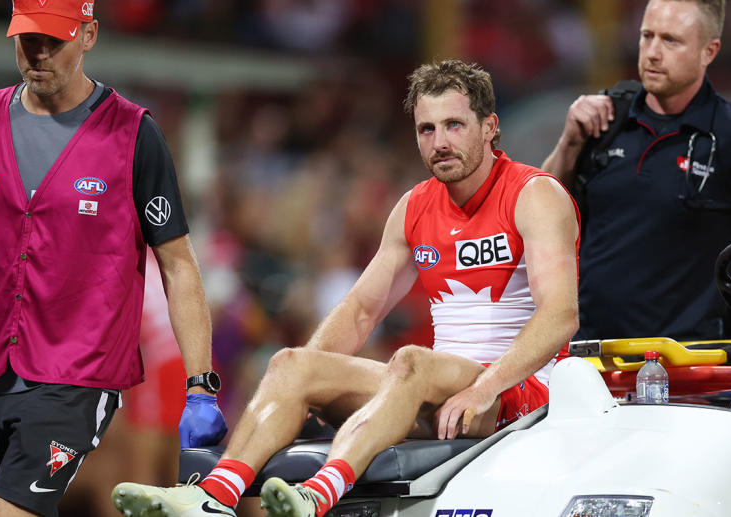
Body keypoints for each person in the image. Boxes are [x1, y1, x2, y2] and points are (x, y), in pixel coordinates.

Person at [111, 59, 580, 517]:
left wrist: (485, 387)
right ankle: (213, 497)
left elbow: (560, 315)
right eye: (426, 130)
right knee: (290, 363)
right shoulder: (414, 207)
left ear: (490, 126)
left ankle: (319, 495)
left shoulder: (533, 195)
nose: (439, 143)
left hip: (516, 395)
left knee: (410, 359)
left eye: (454, 125)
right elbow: (359, 311)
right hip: (435, 392)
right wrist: (316, 378)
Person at [0, 2, 227, 516]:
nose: (39, 53)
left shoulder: (133, 135)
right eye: (29, 38)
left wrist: (200, 385)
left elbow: (179, 264)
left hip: (73, 377)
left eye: (54, 40)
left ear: (90, 34)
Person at [541, 0, 731, 342]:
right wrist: (569, 144)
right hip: (587, 355)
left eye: (671, 40)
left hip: (687, 369)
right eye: (646, 36)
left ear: (709, 51)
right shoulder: (603, 119)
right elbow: (545, 212)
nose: (652, 52)